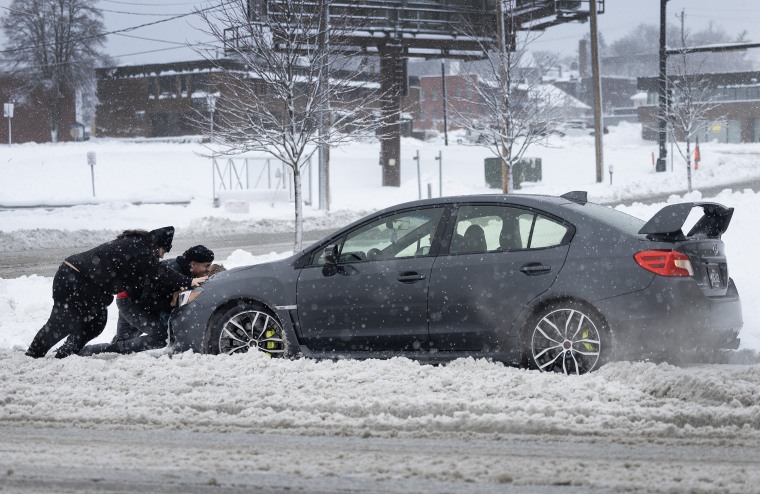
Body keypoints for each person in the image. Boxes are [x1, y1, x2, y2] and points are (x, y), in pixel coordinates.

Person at [25, 227, 206, 359]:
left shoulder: (138, 247)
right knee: (62, 322)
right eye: (163, 252)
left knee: (96, 323)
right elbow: (159, 272)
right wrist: (188, 281)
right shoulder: (140, 248)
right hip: (74, 277)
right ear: (158, 245)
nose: (161, 257)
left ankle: (66, 353)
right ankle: (33, 356)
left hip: (89, 285)